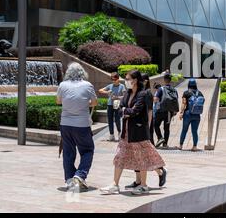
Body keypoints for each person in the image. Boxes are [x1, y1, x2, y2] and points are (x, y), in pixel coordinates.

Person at [100, 70, 167, 195]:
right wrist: (125, 110)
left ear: (135, 80)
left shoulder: (143, 94)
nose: (126, 81)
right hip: (126, 132)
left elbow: (136, 110)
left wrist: (125, 110)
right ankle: (115, 184)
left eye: (127, 78)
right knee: (119, 156)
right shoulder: (127, 93)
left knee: (141, 157)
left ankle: (143, 185)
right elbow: (120, 108)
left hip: (138, 131)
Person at [56, 62, 98, 190]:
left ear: (68, 73)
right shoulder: (87, 85)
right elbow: (94, 102)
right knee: (87, 150)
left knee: (68, 152)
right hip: (82, 125)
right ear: (82, 73)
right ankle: (80, 175)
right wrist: (84, 103)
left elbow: (58, 101)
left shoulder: (62, 85)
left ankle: (70, 179)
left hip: (66, 124)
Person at [125, 73, 167, 191]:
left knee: (145, 154)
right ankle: (139, 180)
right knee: (137, 155)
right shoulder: (136, 93)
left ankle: (159, 171)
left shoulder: (146, 93)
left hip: (143, 129)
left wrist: (147, 128)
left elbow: (149, 111)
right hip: (136, 128)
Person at [177, 79, 205, 152]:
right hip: (197, 115)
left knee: (184, 130)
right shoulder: (200, 93)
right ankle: (195, 146)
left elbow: (184, 103)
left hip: (187, 114)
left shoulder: (186, 93)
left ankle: (180, 145)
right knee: (194, 131)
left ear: (188, 84)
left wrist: (181, 112)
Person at [153, 74, 179, 148]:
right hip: (169, 112)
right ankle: (165, 144)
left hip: (160, 111)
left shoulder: (161, 89)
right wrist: (174, 111)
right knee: (166, 128)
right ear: (170, 80)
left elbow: (155, 99)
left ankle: (160, 138)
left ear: (164, 80)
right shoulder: (174, 90)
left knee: (156, 125)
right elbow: (176, 100)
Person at [99, 72, 125, 142]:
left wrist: (117, 97)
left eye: (115, 79)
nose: (113, 81)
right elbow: (100, 90)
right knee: (110, 120)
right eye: (112, 79)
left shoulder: (122, 86)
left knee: (117, 120)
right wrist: (107, 92)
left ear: (118, 79)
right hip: (110, 104)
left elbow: (124, 96)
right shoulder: (110, 86)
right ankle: (111, 135)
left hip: (117, 104)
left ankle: (119, 133)